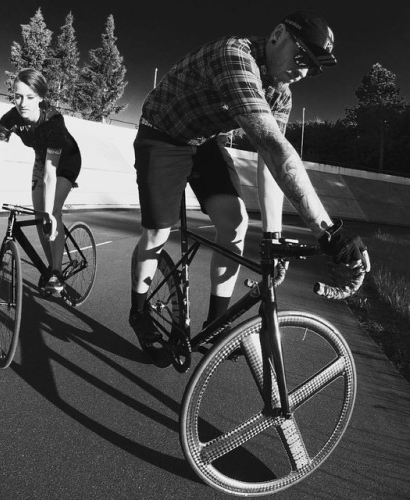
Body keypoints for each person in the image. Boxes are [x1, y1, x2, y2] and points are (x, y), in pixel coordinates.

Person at [129, 10, 370, 364]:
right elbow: (275, 147)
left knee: (236, 223)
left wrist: (272, 239)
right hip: (162, 134)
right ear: (277, 35)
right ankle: (138, 311)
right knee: (157, 232)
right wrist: (329, 232)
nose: (303, 72)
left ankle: (215, 325)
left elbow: (271, 164)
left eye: (313, 69)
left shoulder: (281, 95)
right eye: (302, 57)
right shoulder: (235, 56)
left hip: (204, 140)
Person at [0, 68, 82, 294]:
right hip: (42, 157)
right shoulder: (8, 120)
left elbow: (51, 172)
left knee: (52, 211)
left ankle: (57, 274)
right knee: (40, 217)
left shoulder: (54, 120)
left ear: (41, 97)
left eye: (30, 97)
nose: (23, 103)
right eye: (18, 96)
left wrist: (50, 213)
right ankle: (52, 267)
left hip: (67, 160)